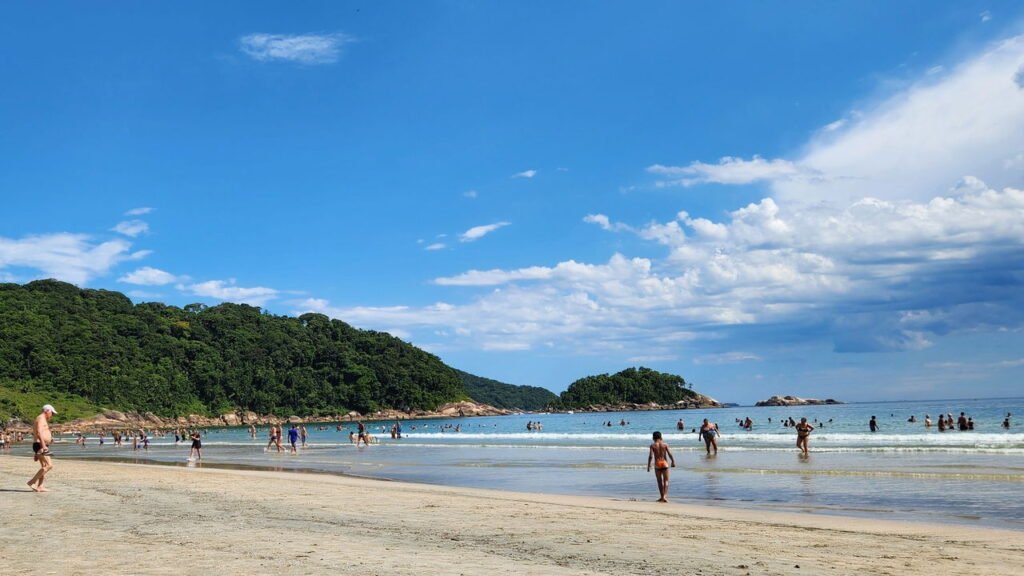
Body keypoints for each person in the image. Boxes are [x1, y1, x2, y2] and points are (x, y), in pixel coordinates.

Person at [27, 404, 57, 492]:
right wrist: (43, 446)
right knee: (49, 465)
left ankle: (40, 486)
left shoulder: (42, 419)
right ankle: (32, 482)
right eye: (52, 413)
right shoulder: (41, 418)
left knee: (44, 466)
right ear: (47, 411)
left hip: (40, 445)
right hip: (40, 445)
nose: (52, 415)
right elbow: (39, 432)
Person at [647, 431, 675, 503]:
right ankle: (665, 496)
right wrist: (673, 461)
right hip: (665, 463)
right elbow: (670, 454)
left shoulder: (652, 445)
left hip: (657, 464)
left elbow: (650, 456)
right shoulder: (665, 444)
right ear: (661, 437)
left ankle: (662, 497)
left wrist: (648, 465)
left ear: (653, 438)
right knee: (666, 480)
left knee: (659, 481)